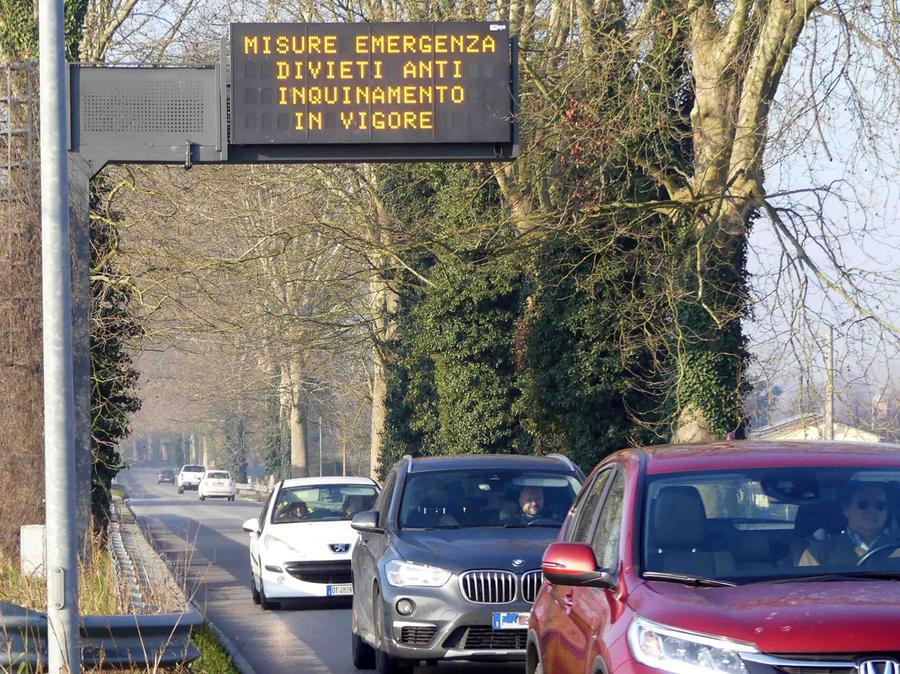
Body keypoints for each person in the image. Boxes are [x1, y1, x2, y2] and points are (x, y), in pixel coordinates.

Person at [798, 482, 896, 567]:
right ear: (846, 510)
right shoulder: (818, 552)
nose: (872, 510)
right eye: (863, 504)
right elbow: (804, 587)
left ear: (887, 512)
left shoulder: (897, 546)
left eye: (880, 505)